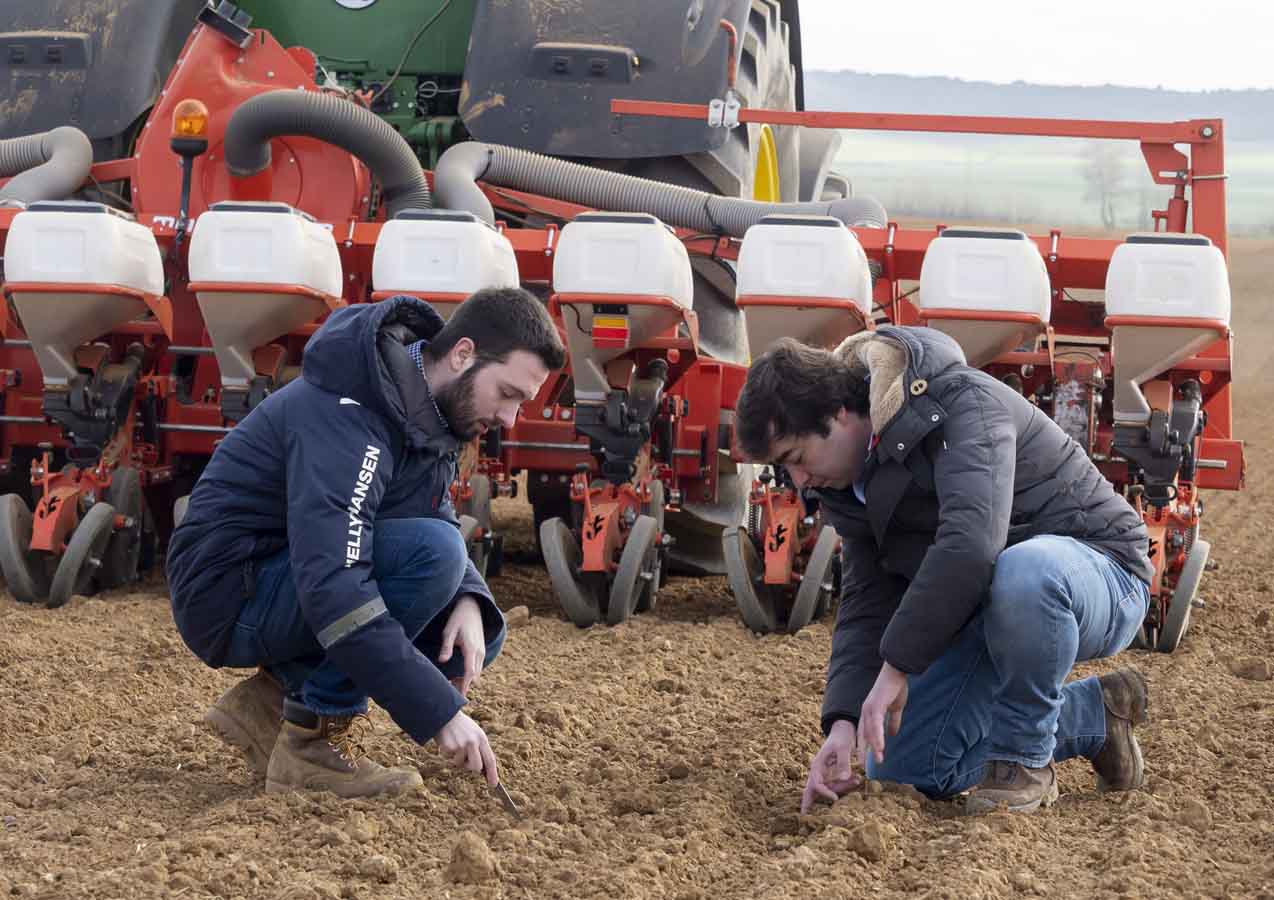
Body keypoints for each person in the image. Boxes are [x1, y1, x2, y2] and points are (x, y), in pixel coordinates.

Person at [734, 326, 1154, 815]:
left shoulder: (961, 403)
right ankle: (1095, 716)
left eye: (796, 458)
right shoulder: (848, 486)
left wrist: (897, 668)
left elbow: (971, 544)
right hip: (987, 602)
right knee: (904, 767)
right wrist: (843, 725)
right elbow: (868, 598)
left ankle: (1023, 760)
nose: (800, 480)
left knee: (1027, 570)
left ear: (839, 413)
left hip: (1099, 571)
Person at [167, 288, 565, 798]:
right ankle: (313, 742)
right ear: (464, 354)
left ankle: (267, 704)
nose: (510, 420)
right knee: (435, 557)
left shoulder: (423, 405)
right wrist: (438, 713)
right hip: (228, 594)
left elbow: (425, 508)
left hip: (285, 577)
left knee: (467, 636)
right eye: (508, 393)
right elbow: (335, 582)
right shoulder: (350, 413)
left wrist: (467, 595)